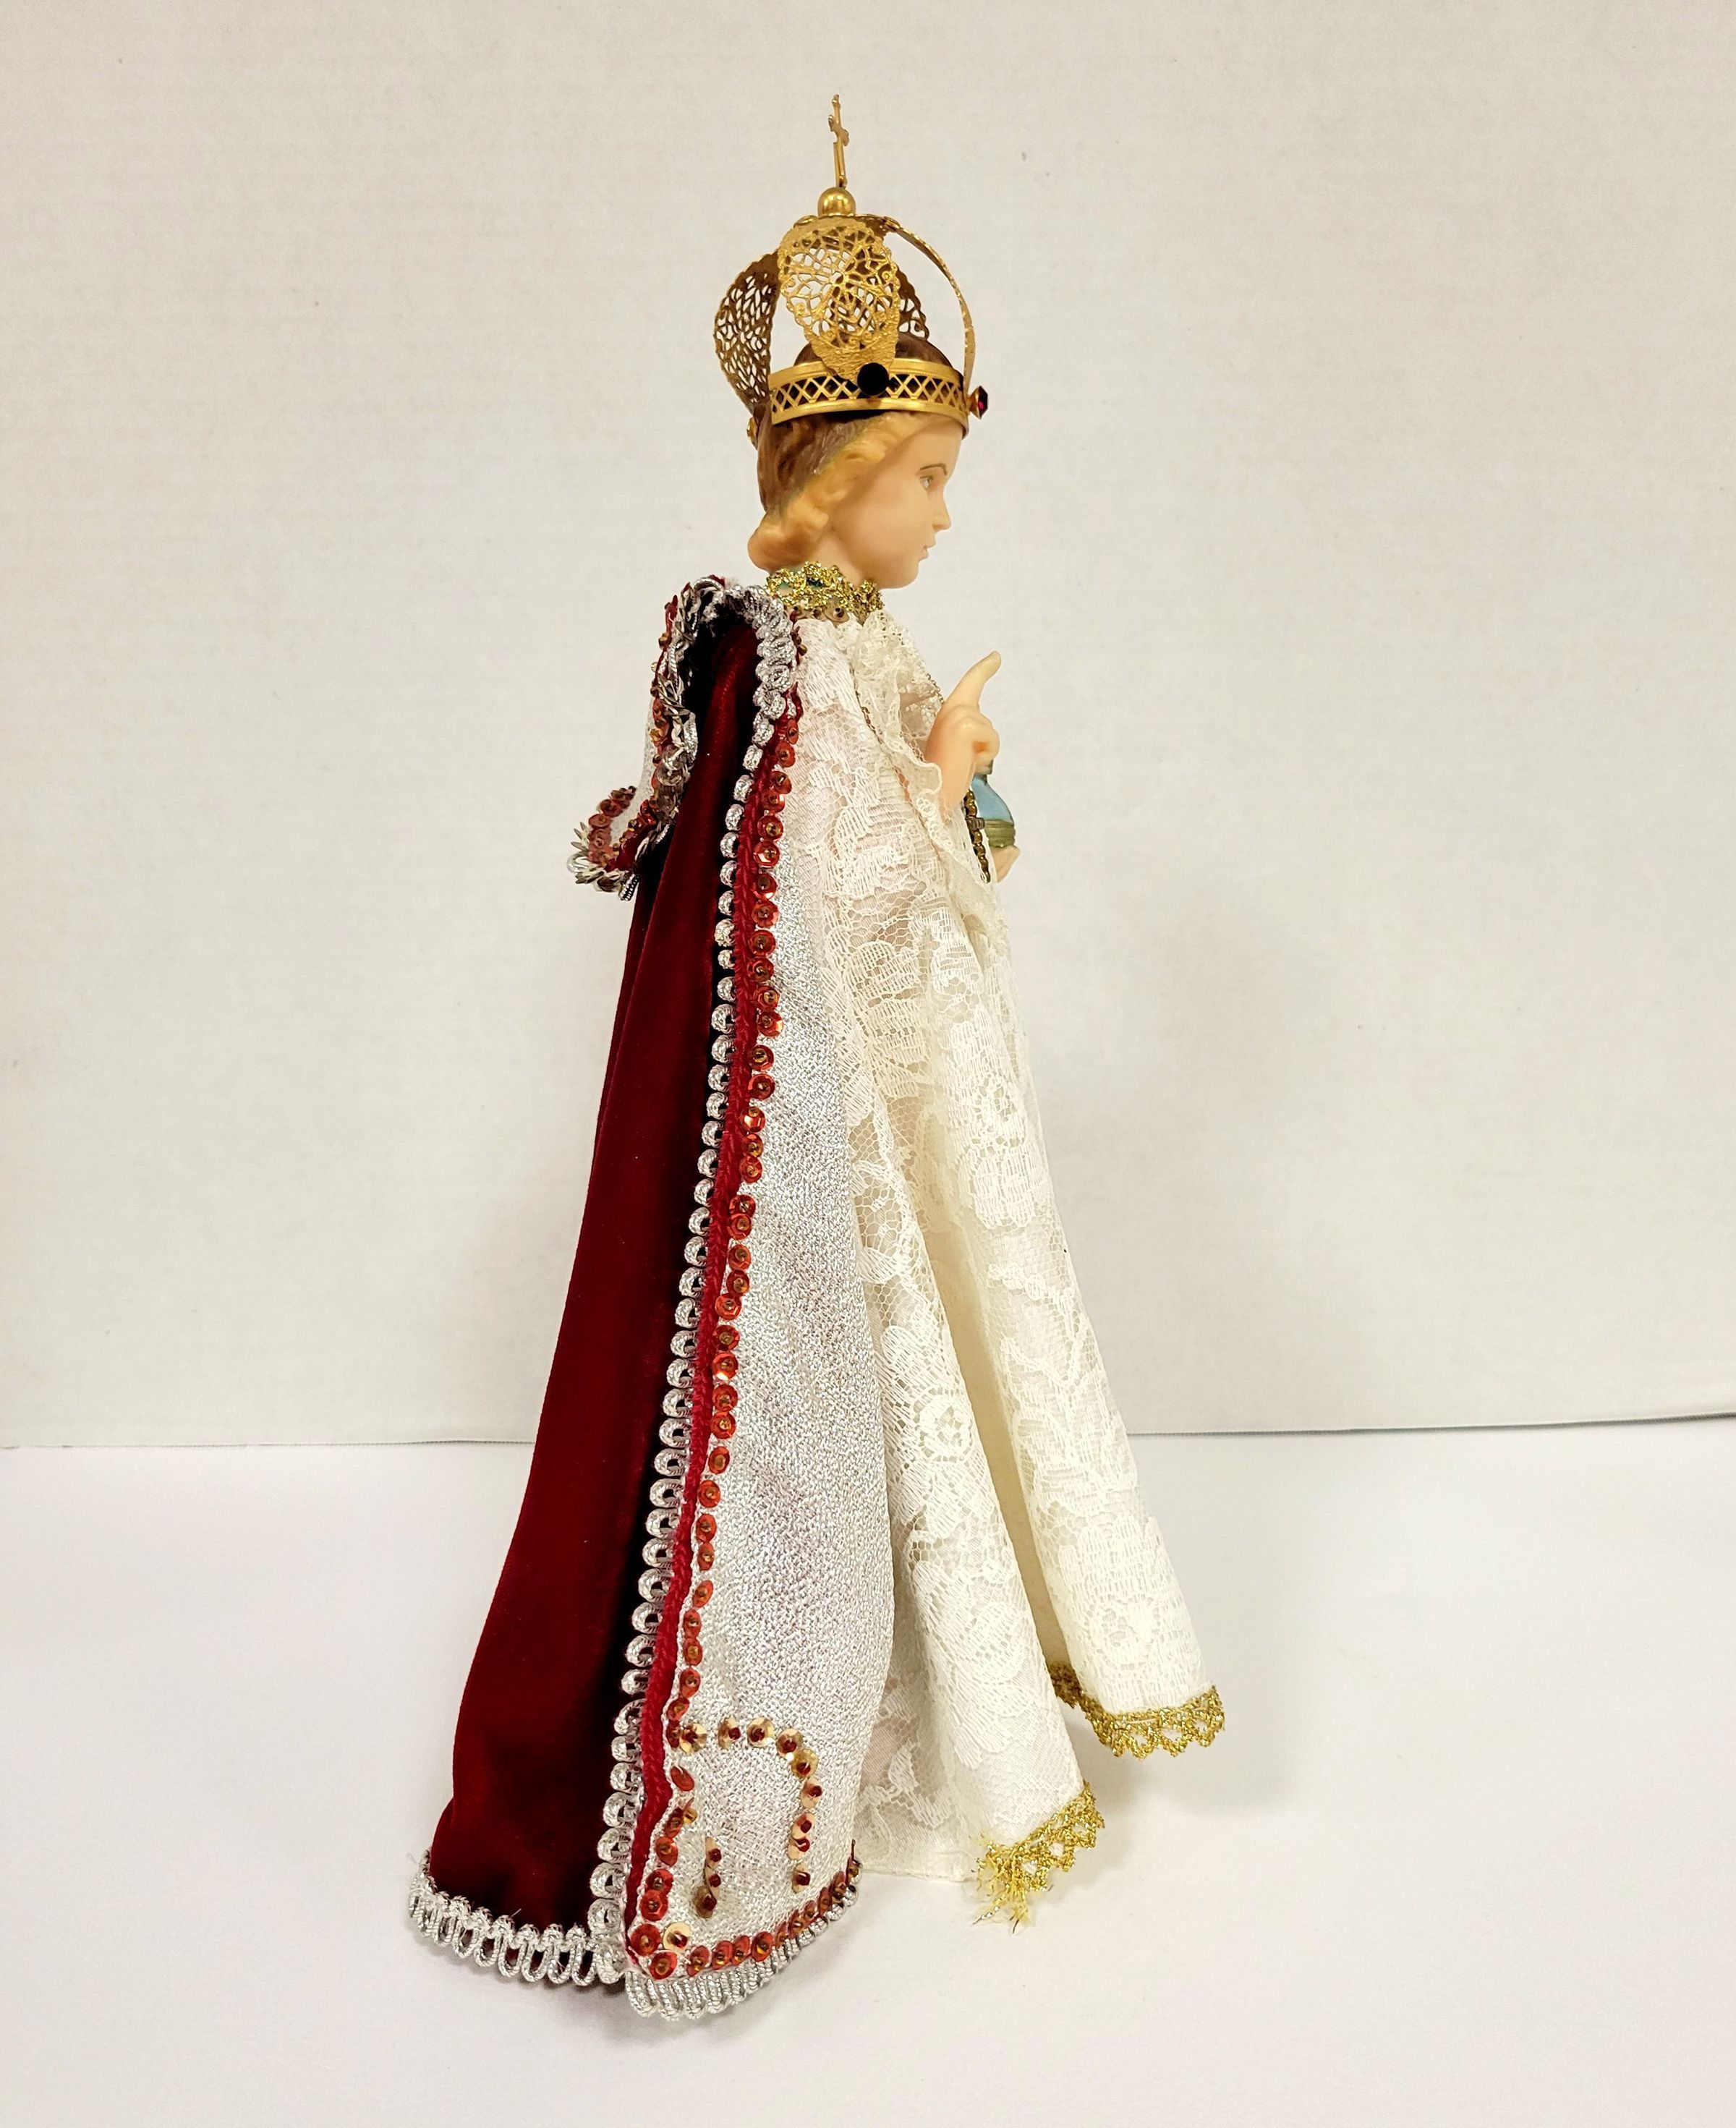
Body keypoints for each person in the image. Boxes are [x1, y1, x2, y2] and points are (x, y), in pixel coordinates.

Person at [410, 106, 1223, 2023]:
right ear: (835, 479)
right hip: (831, 1136)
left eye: (944, 477)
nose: (942, 513)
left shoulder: (866, 647)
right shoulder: (772, 659)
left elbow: (929, 868)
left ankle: (960, 1682)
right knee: (866, 1408)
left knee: (949, 1391)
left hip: (913, 1104)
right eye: (923, 478)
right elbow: (818, 889)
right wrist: (938, 791)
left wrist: (961, 792)